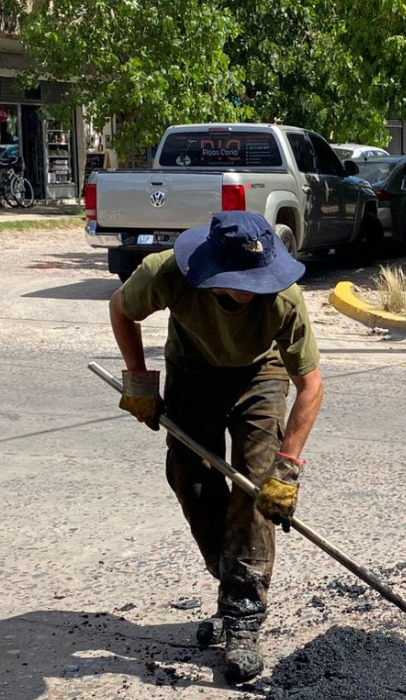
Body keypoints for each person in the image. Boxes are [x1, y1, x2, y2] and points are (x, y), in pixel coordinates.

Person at [108, 211, 323, 684]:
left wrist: (287, 469)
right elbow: (122, 308)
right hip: (194, 370)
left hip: (260, 375)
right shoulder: (168, 272)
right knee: (192, 481)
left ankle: (243, 618)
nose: (249, 288)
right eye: (238, 278)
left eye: (257, 277)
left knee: (255, 490)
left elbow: (310, 385)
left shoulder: (283, 299)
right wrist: (139, 381)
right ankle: (232, 581)